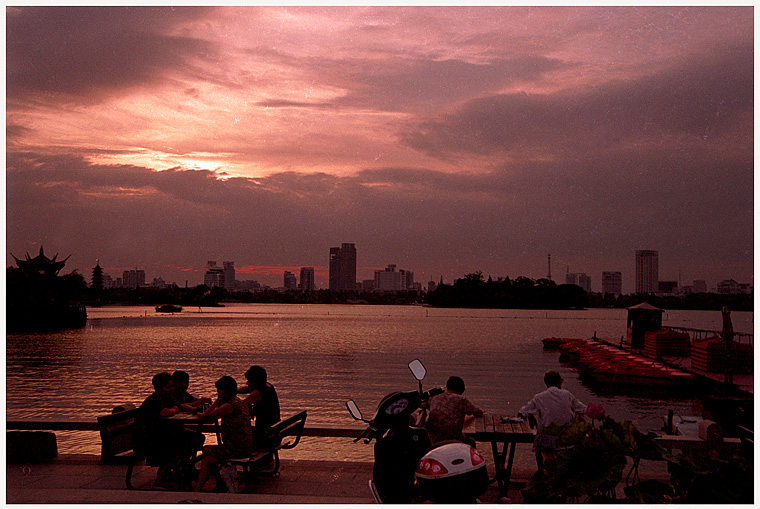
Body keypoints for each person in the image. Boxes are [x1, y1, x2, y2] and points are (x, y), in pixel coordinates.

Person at [134, 372, 204, 487]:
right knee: (181, 442)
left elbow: (180, 405)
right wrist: (176, 409)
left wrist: (195, 408)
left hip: (162, 434)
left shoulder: (167, 398)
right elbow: (165, 412)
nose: (172, 389)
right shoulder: (154, 400)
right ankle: (166, 473)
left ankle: (181, 468)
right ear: (159, 388)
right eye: (168, 386)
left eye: (172, 386)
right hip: (149, 440)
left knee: (197, 438)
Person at [518, 370, 586, 474]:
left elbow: (522, 413)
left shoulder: (539, 397)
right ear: (560, 381)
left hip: (547, 440)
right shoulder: (567, 395)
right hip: (565, 438)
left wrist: (531, 416)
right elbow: (582, 409)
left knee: (538, 442)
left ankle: (540, 471)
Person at [194, 376, 254, 492]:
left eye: (218, 391)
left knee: (207, 454)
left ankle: (197, 489)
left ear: (223, 391)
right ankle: (218, 483)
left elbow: (205, 416)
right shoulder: (239, 402)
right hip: (244, 446)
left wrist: (217, 401)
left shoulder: (229, 406)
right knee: (209, 456)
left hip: (236, 449)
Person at [424, 376, 483, 446]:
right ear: (462, 389)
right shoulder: (462, 400)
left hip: (433, 440)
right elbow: (477, 412)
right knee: (472, 442)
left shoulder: (434, 398)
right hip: (454, 439)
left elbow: (423, 405)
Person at [239, 365, 281, 447]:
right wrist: (233, 391)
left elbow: (242, 405)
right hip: (273, 432)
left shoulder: (258, 393)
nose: (247, 383)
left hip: (265, 436)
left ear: (255, 382)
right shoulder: (268, 387)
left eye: (249, 381)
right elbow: (246, 389)